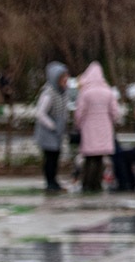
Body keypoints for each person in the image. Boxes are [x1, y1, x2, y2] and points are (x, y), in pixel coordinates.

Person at [73, 61, 118, 192]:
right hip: (105, 129)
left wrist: (78, 124)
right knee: (99, 158)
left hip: (89, 130)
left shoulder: (86, 92)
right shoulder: (108, 91)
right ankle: (97, 183)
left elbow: (79, 112)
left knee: (89, 158)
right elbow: (115, 112)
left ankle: (87, 183)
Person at [33, 62, 69, 192]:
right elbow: (40, 113)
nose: (66, 79)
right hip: (48, 131)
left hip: (58, 130)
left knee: (56, 156)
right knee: (50, 157)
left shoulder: (63, 92)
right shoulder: (49, 93)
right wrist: (52, 125)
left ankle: (54, 180)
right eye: (63, 77)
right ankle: (50, 182)